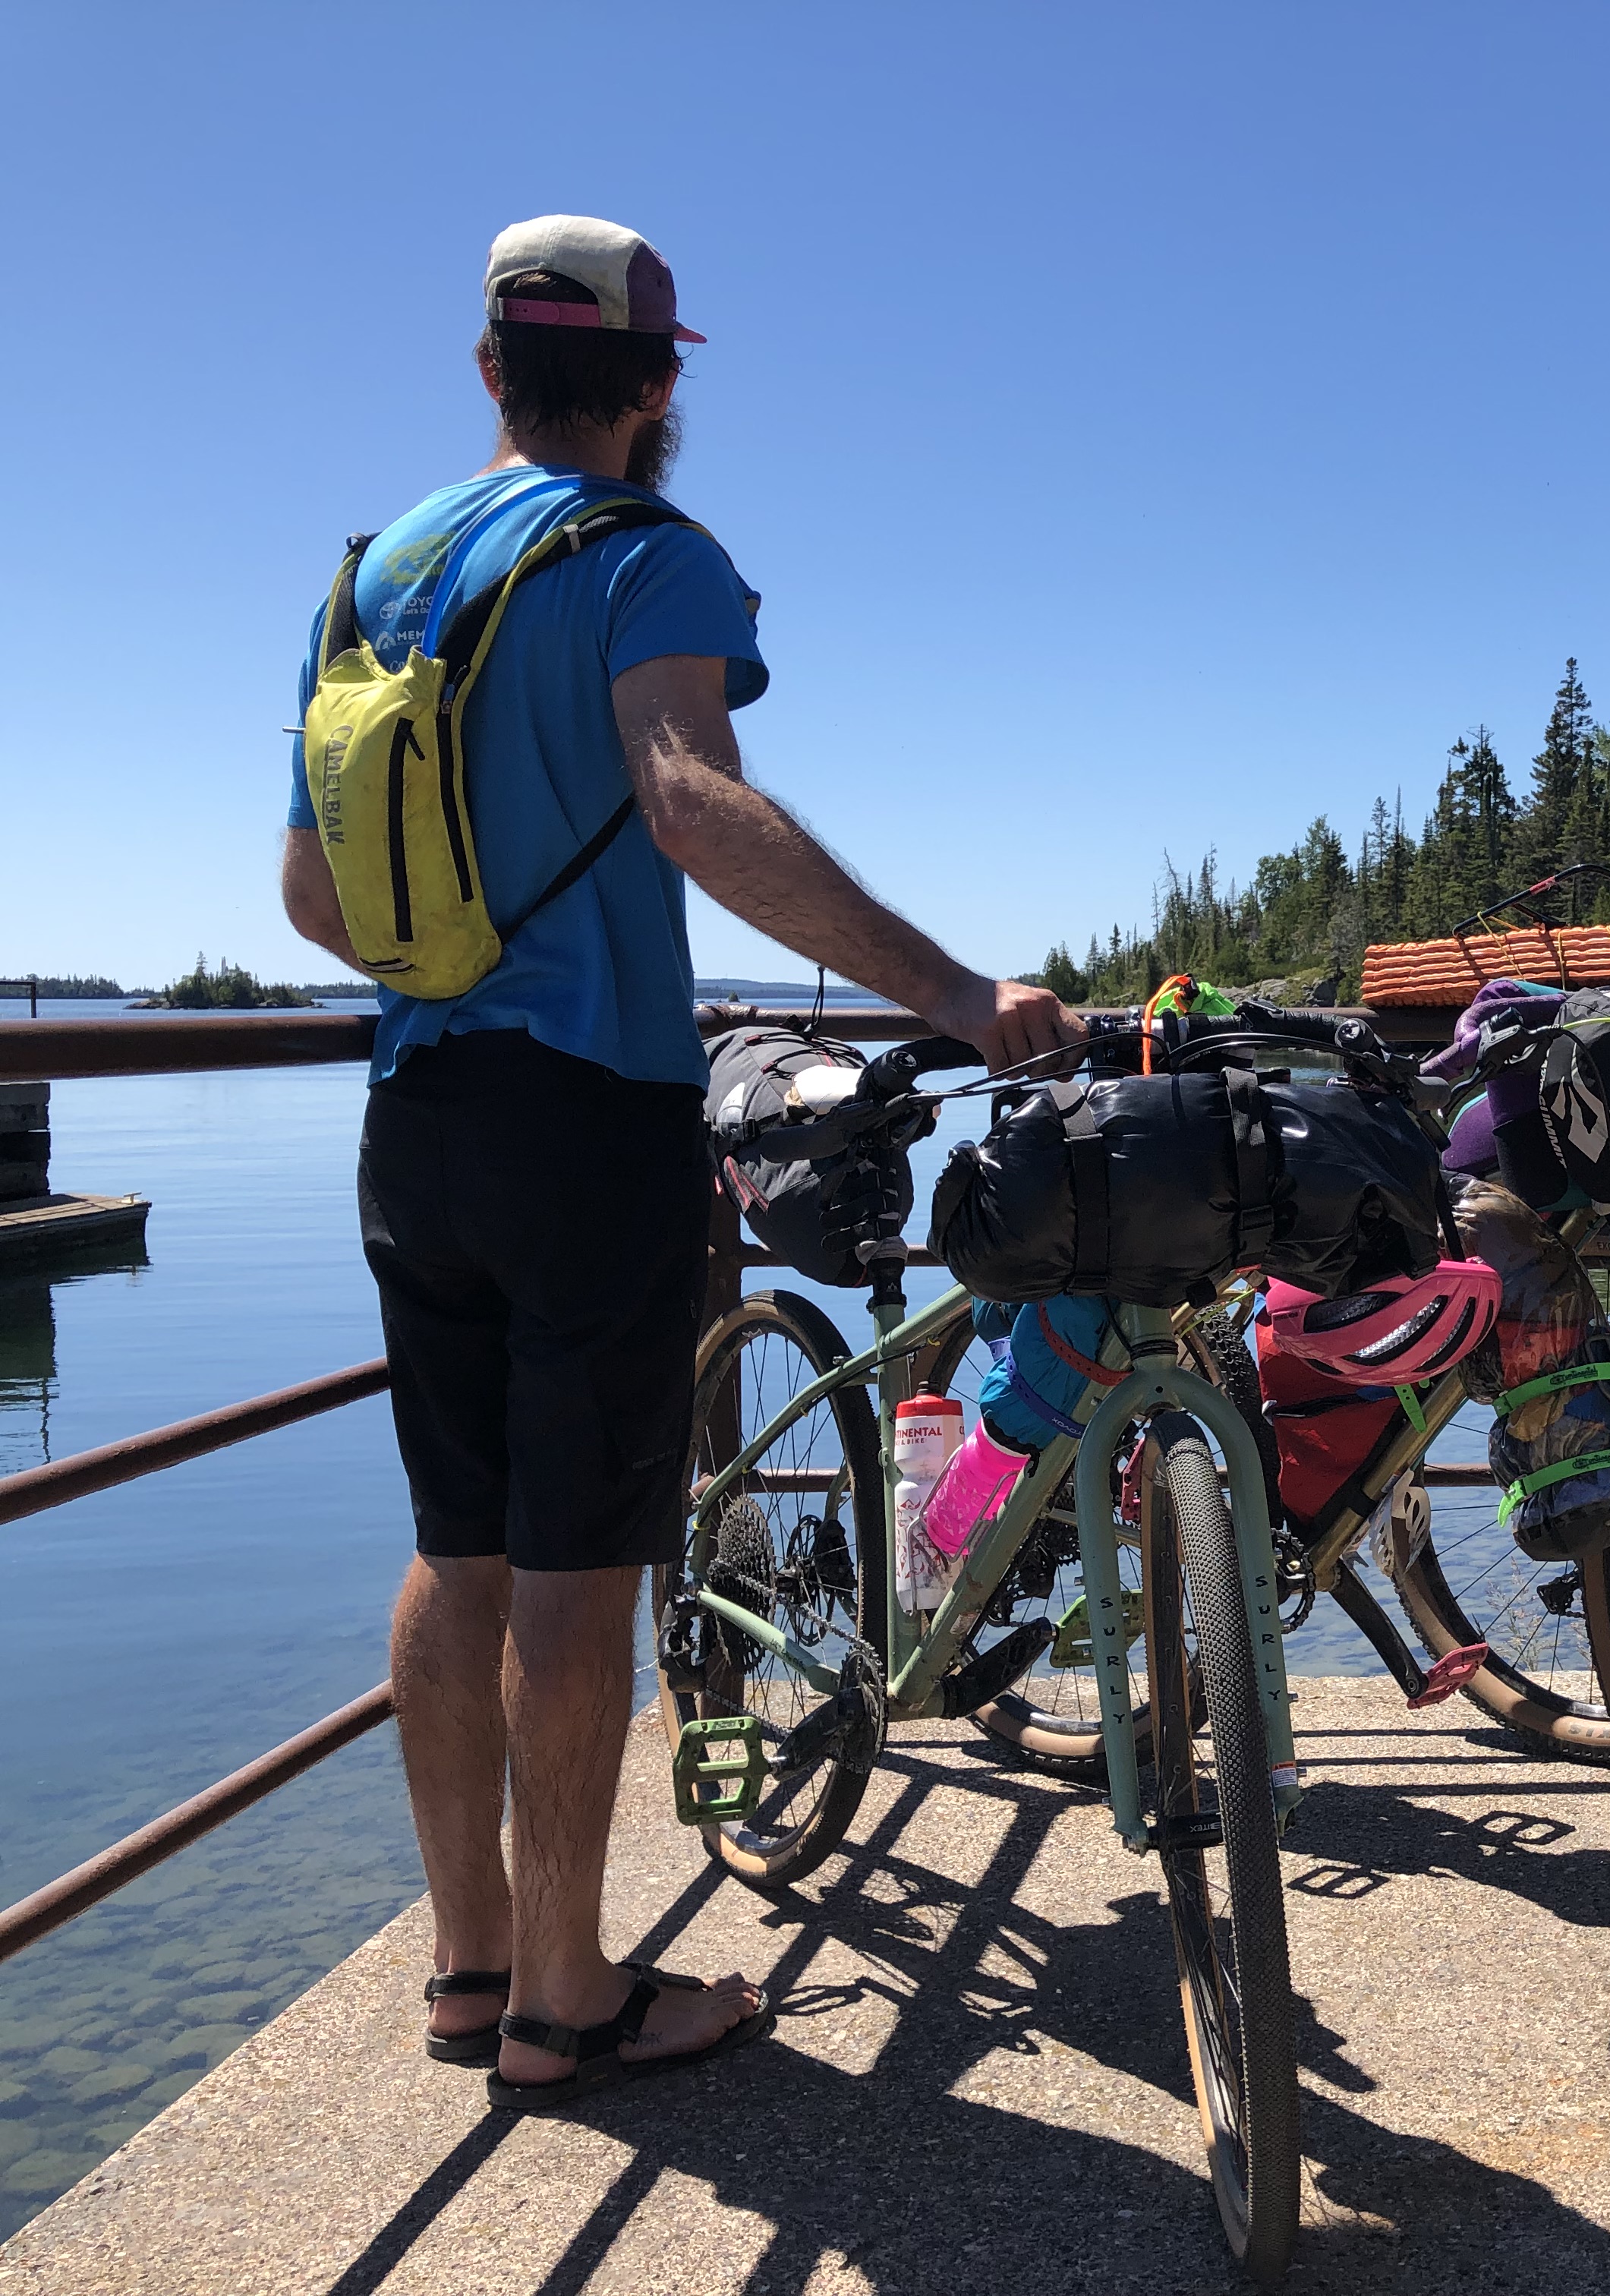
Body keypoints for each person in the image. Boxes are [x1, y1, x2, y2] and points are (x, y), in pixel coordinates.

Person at [278, 215, 1079, 2110]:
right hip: (589, 1116)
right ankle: (570, 2003)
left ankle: (471, 1971)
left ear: (488, 369)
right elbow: (690, 800)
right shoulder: (650, 554)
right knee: (573, 1570)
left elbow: (313, 893)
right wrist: (961, 997)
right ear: (656, 384)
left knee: (454, 1542)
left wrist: (450, 975)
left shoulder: (373, 573)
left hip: (417, 1120)